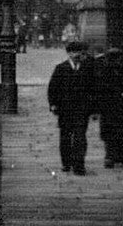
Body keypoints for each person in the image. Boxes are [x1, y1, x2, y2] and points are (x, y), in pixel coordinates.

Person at [48, 41, 98, 175]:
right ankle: (66, 163)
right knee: (65, 136)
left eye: (79, 52)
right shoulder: (61, 68)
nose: (77, 55)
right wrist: (53, 104)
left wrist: (94, 110)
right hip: (65, 109)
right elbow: (53, 88)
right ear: (69, 53)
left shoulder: (88, 68)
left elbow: (94, 89)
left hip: (82, 109)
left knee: (80, 137)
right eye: (74, 52)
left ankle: (79, 165)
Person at [97, 47, 123, 168]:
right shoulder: (105, 71)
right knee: (112, 134)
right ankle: (111, 157)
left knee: (122, 133)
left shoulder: (122, 70)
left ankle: (121, 157)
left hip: (121, 107)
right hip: (110, 107)